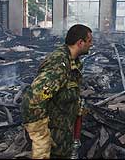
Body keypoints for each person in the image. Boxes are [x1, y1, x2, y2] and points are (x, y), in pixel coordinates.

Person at [21, 24, 93, 158]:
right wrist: (40, 136)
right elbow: (34, 98)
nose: (91, 45)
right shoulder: (59, 64)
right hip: (52, 133)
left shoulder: (73, 62)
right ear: (80, 42)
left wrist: (75, 106)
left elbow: (61, 91)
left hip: (63, 133)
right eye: (89, 41)